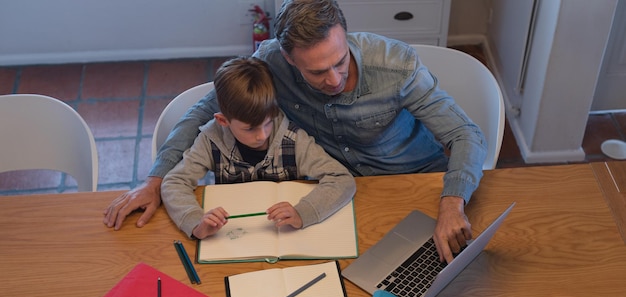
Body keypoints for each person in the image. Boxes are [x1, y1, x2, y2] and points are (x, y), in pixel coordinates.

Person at [103, 0, 487, 262]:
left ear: (345, 35)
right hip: (336, 194)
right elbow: (204, 112)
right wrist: (155, 180)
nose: (334, 79)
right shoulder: (271, 61)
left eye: (339, 62)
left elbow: (466, 135)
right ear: (287, 58)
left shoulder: (397, 65)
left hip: (415, 185)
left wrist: (452, 204)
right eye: (317, 72)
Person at [160, 56, 355, 239]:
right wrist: (196, 223)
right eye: (250, 128)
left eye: (268, 123)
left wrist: (302, 213)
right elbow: (174, 182)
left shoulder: (294, 139)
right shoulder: (210, 139)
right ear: (223, 121)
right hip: (233, 237)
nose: (262, 135)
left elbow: (342, 179)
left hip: (287, 235)